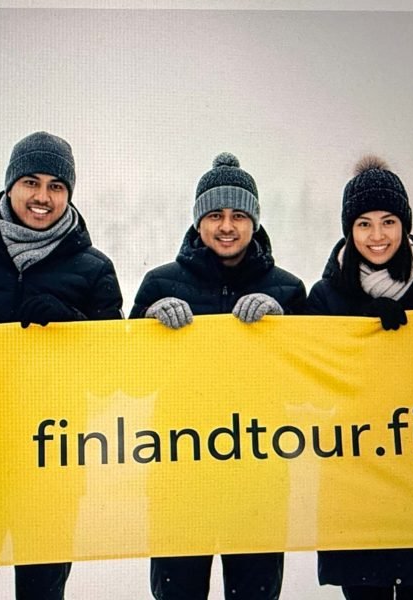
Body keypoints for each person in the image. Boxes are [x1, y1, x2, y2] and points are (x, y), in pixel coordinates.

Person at [0, 131, 124, 599]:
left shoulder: (93, 269)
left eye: (56, 186)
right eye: (31, 182)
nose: (42, 197)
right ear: (10, 184)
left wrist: (72, 326)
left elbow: (112, 373)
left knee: (42, 593)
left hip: (52, 463)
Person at [130, 152, 306, 600]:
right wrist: (148, 324)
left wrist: (285, 326)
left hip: (259, 475)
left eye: (238, 215)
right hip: (179, 473)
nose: (227, 226)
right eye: (215, 215)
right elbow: (131, 379)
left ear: (254, 222)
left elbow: (307, 386)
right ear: (198, 222)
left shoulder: (287, 288)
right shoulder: (159, 284)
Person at [307, 156, 413, 600]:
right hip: (354, 483)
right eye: (364, 224)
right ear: (349, 230)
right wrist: (361, 331)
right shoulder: (325, 298)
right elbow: (310, 391)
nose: (377, 236)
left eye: (388, 222)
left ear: (405, 226)